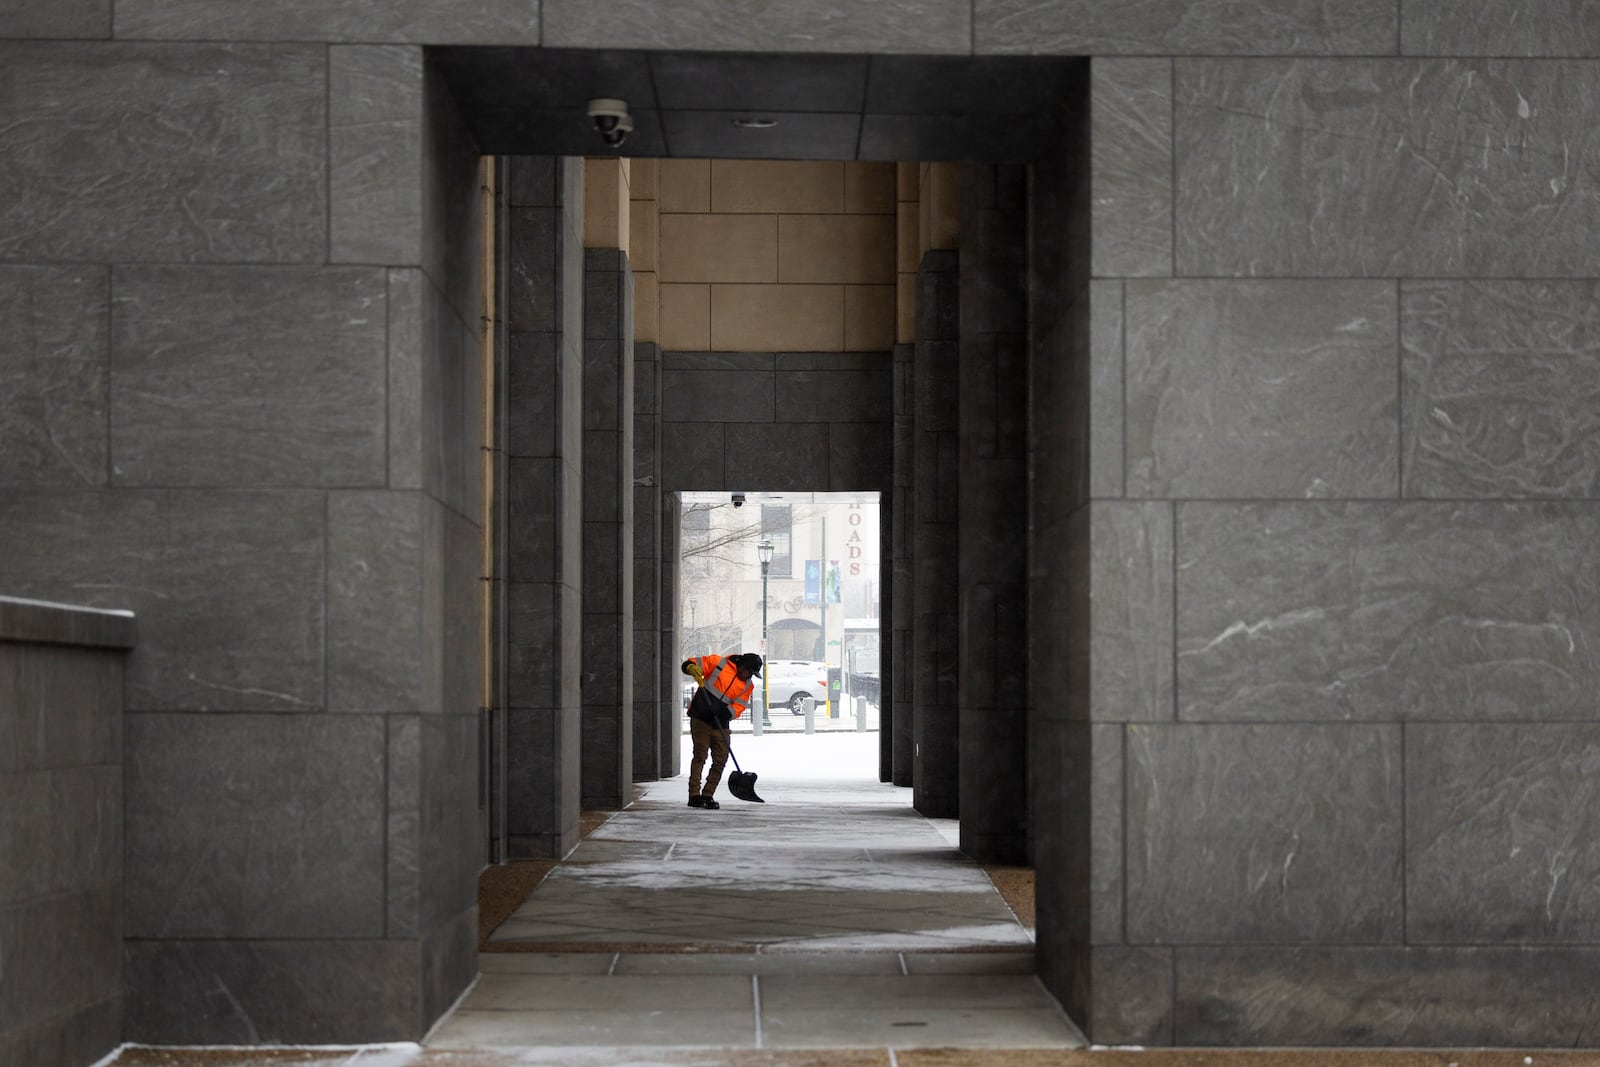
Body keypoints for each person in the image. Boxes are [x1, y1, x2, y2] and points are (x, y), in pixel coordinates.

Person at [681, 651, 762, 809]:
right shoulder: (719, 663)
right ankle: (694, 795)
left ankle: (708, 795)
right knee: (700, 755)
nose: (749, 676)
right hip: (701, 716)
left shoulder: (747, 686)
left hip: (720, 723)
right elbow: (692, 664)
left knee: (720, 759)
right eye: (749, 672)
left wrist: (724, 712)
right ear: (742, 666)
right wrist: (690, 667)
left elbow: (739, 706)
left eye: (753, 674)